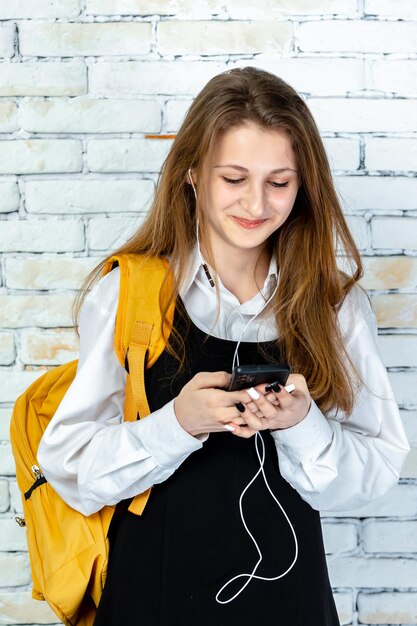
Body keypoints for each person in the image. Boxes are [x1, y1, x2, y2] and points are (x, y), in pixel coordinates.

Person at [37, 67, 409, 626]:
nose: (256, 203)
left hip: (291, 605)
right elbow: (69, 467)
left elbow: (377, 469)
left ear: (303, 183)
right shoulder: (130, 294)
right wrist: (176, 424)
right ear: (191, 172)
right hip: (150, 600)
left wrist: (302, 423)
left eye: (279, 182)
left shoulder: (333, 304)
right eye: (233, 178)